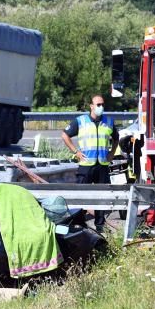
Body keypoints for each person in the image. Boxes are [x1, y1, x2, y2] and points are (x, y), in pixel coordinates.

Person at [62, 94, 118, 230]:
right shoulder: (80, 121)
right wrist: (76, 152)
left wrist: (111, 153)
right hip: (86, 165)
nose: (101, 107)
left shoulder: (108, 122)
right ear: (91, 106)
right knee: (80, 196)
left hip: (102, 165)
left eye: (102, 104)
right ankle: (79, 224)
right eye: (98, 105)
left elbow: (116, 138)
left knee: (102, 197)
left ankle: (100, 225)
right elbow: (65, 135)